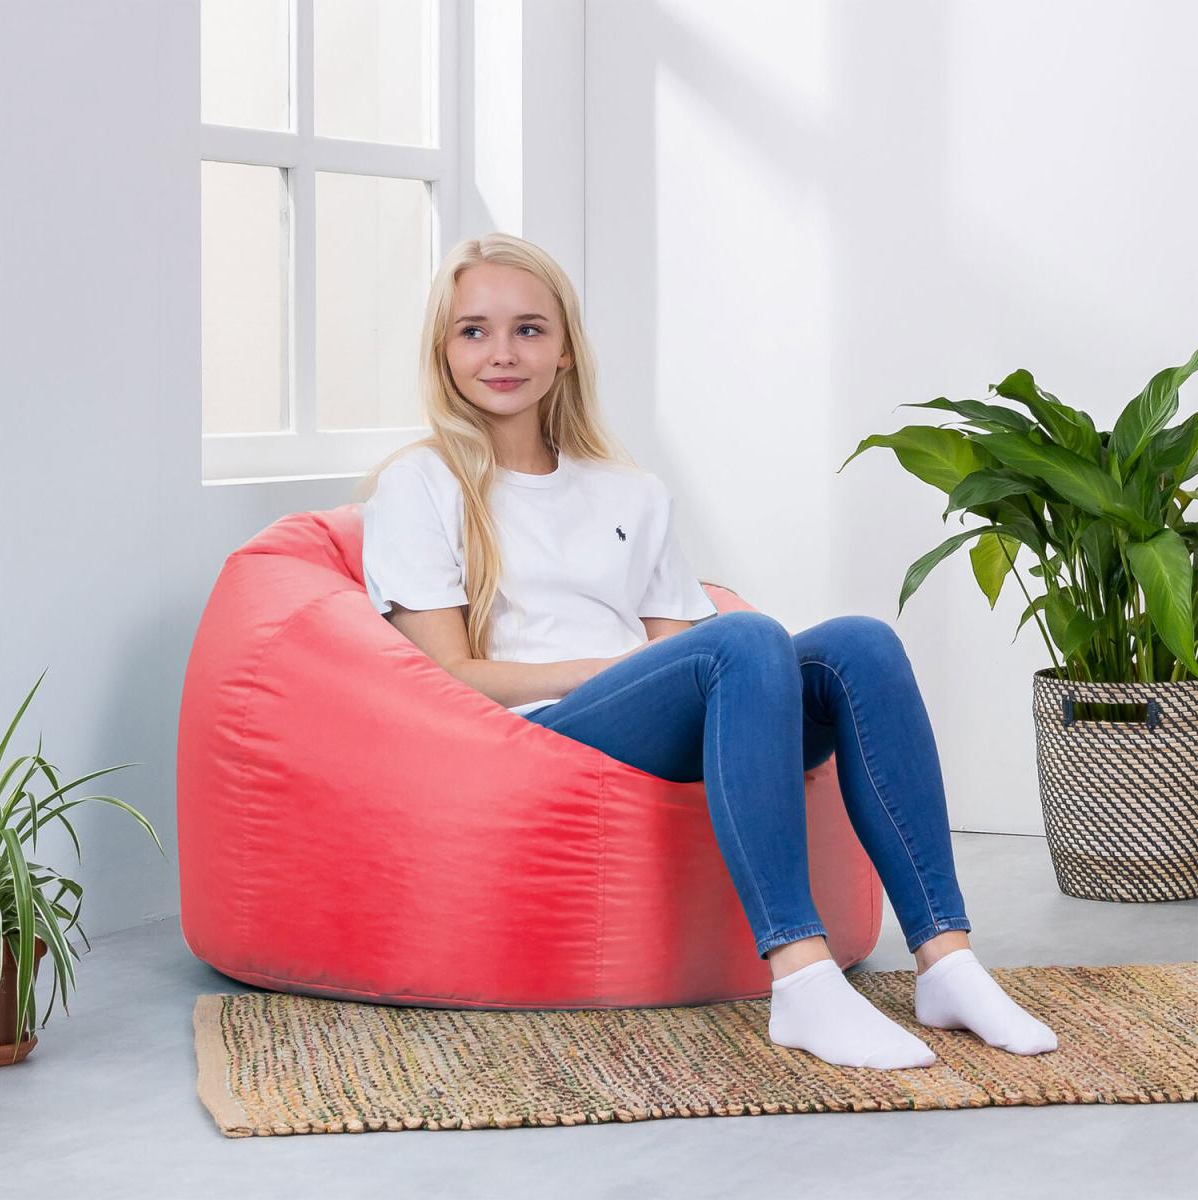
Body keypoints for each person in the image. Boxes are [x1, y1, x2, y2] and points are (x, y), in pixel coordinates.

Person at [354, 232, 1058, 1071]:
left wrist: (680, 678)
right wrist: (612, 672)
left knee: (858, 646)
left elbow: (688, 659)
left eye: (528, 329)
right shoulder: (421, 483)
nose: (501, 353)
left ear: (566, 349)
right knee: (746, 638)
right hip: (540, 731)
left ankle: (946, 961)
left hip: (653, 722)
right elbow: (445, 677)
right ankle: (801, 977)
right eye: (473, 331)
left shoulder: (628, 489)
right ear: (443, 350)